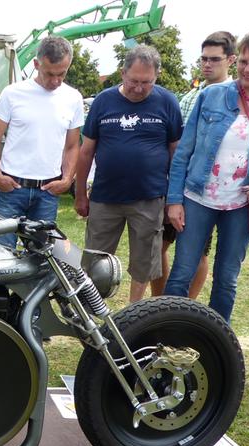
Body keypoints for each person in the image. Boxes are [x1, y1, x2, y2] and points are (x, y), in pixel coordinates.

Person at [164, 29, 249, 324]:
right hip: (197, 197)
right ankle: (166, 337)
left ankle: (215, 346)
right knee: (181, 273)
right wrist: (174, 200)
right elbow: (184, 152)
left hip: (242, 206)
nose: (248, 69)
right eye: (244, 61)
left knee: (226, 279)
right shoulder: (211, 95)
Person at [75, 45, 183, 303]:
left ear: (156, 76)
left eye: (146, 82)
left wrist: (174, 198)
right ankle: (92, 311)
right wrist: (80, 194)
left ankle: (135, 313)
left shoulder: (167, 102)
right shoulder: (103, 101)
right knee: (95, 261)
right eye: (134, 80)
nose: (139, 87)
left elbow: (176, 154)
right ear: (123, 73)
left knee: (144, 261)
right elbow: (86, 151)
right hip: (105, 197)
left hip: (149, 197)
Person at [152, 31, 237, 298]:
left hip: (204, 189)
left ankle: (190, 307)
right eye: (203, 59)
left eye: (214, 59)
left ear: (230, 60)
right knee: (160, 246)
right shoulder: (193, 93)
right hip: (176, 184)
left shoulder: (232, 96)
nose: (207, 64)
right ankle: (158, 305)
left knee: (196, 251)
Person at [0, 36, 84, 249]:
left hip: (48, 192)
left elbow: (72, 145)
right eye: (50, 73)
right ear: (36, 65)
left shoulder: (73, 98)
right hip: (11, 188)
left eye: (62, 73)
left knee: (42, 259)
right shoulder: (12, 93)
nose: (56, 80)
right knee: (2, 255)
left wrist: (67, 180)